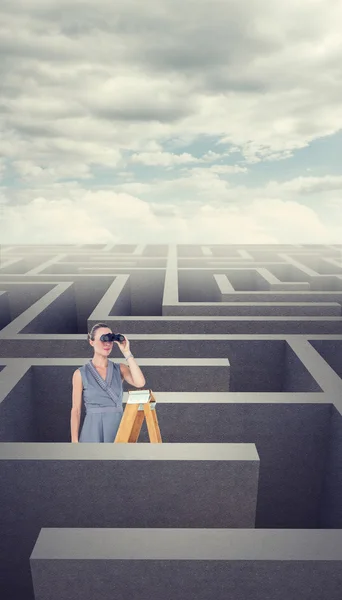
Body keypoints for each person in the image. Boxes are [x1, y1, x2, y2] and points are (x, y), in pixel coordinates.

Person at [70, 322, 145, 443]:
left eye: (110, 339)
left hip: (119, 428)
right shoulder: (80, 373)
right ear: (91, 341)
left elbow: (140, 382)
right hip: (92, 430)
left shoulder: (120, 368)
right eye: (103, 339)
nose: (107, 343)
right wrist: (74, 441)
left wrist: (127, 352)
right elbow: (76, 410)